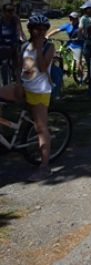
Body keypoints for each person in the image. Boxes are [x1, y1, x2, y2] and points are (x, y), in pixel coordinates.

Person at [0, 15, 55, 181]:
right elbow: (19, 67)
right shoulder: (24, 45)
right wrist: (17, 82)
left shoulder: (48, 46)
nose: (39, 32)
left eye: (43, 29)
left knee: (40, 128)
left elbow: (43, 67)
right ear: (30, 29)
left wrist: (38, 47)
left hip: (40, 90)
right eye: (35, 29)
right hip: (23, 86)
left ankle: (44, 167)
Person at [0, 3, 26, 80]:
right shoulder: (1, 20)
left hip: (14, 43)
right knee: (4, 61)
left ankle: (17, 74)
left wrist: (21, 38)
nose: (11, 12)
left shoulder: (15, 19)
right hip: (2, 44)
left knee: (19, 56)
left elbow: (20, 31)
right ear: (3, 11)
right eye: (9, 10)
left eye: (12, 10)